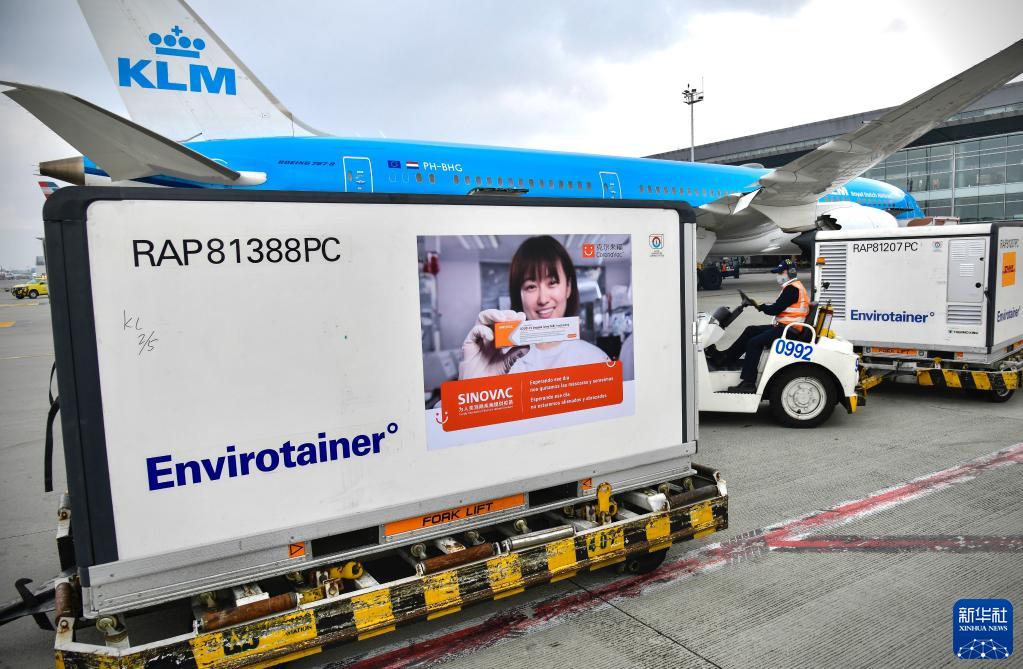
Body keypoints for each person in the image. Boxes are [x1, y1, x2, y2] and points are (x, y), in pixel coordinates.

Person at [459, 235, 608, 379]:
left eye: (552, 283)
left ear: (568, 287)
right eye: (531, 286)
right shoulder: (497, 362)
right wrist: (472, 386)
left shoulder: (596, 360)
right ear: (519, 295)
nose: (543, 299)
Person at [713, 258, 809, 393]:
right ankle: (726, 359)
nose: (778, 275)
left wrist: (759, 306)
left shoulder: (792, 289)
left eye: (780, 272)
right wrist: (758, 305)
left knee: (754, 343)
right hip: (785, 326)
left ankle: (749, 383)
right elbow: (778, 307)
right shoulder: (793, 287)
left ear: (790, 272)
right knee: (751, 330)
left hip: (789, 330)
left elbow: (774, 310)